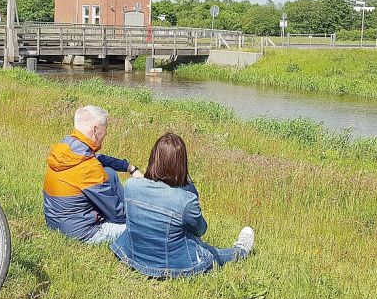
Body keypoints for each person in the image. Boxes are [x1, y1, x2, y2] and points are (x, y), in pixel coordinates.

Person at [111, 132, 254, 278]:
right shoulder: (186, 199)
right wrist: (191, 192)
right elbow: (200, 230)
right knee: (214, 254)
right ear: (181, 163)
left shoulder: (131, 185)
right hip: (172, 265)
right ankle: (241, 250)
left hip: (132, 255)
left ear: (153, 158)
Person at [44, 105, 143, 244]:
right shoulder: (88, 168)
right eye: (105, 129)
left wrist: (129, 167)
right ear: (95, 130)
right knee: (143, 230)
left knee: (109, 172)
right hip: (82, 231)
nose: (106, 134)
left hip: (55, 222)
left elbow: (99, 158)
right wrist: (143, 213)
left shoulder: (66, 149)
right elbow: (117, 214)